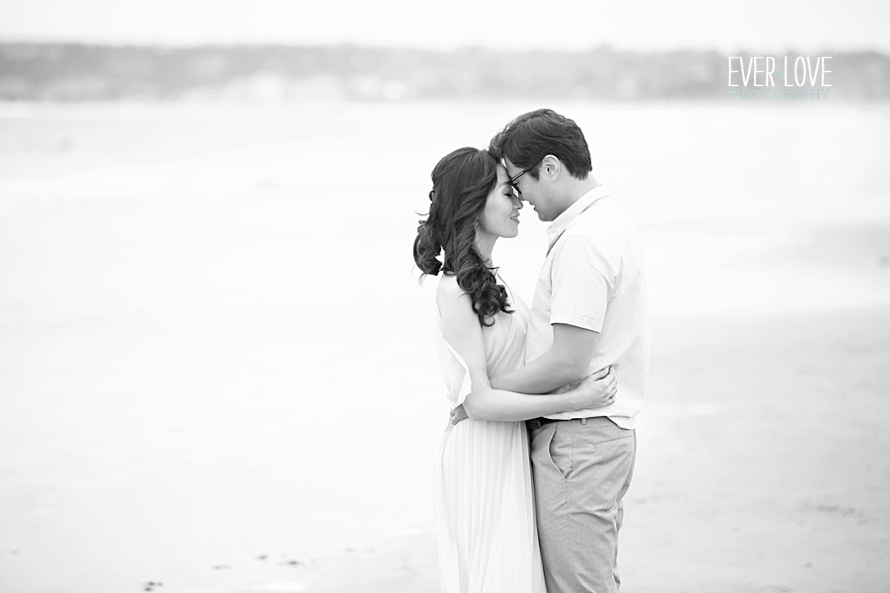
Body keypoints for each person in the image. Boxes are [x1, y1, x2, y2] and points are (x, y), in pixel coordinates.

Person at [413, 146, 618, 593]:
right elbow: (479, 400)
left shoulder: (488, 278)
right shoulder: (455, 291)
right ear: (474, 203)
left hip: (507, 444)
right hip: (481, 453)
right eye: (508, 193)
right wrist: (573, 399)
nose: (520, 202)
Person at [465, 109, 650, 593]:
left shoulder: (584, 241)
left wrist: (481, 395)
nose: (519, 196)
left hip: (580, 442)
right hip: (594, 438)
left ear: (549, 167)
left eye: (518, 180)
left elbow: (568, 361)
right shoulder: (607, 224)